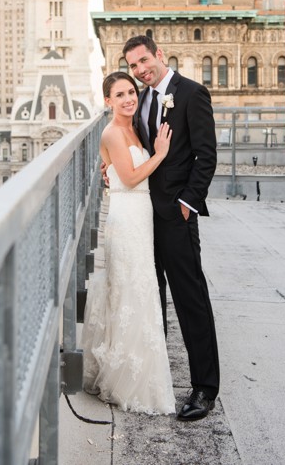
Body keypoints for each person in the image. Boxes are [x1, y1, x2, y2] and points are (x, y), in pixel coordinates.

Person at [123, 35, 220, 421]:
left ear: (159, 54)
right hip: (145, 213)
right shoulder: (142, 99)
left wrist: (187, 204)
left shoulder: (191, 93)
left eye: (145, 61)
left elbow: (206, 156)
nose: (141, 70)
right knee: (152, 295)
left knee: (190, 298)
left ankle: (205, 388)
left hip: (176, 215)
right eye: (133, 66)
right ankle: (158, 377)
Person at [82, 71, 175, 414]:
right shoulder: (111, 130)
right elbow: (133, 177)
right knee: (130, 289)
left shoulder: (133, 127)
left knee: (139, 289)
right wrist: (161, 153)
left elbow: (120, 171)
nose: (128, 99)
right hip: (125, 218)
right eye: (119, 94)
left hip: (140, 215)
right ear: (107, 101)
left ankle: (134, 368)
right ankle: (125, 378)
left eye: (131, 92)